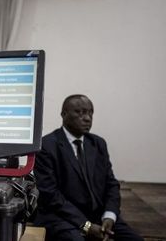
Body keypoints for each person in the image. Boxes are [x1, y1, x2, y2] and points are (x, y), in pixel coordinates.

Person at [33, 94, 143, 241]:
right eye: (80, 112)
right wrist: (86, 225)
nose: (87, 118)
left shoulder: (98, 144)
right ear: (63, 114)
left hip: (98, 216)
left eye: (90, 112)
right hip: (61, 217)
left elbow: (111, 184)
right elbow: (51, 196)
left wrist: (110, 215)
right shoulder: (46, 145)